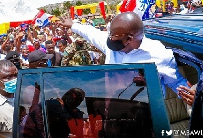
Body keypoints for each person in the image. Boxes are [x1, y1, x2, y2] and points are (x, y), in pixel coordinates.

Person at [59, 12, 189, 97]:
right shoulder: (110, 44)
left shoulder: (159, 54)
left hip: (146, 112)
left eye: (114, 36)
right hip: (115, 106)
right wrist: (72, 25)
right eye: (110, 34)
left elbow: (175, 82)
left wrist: (192, 94)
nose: (110, 39)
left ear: (129, 39)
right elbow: (91, 33)